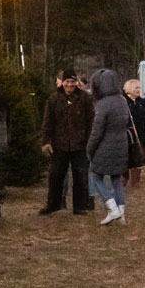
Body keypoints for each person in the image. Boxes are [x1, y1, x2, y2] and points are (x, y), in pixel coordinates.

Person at [38, 68, 93, 215]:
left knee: (80, 177)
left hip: (80, 145)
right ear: (62, 82)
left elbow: (91, 122)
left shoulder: (85, 99)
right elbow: (48, 123)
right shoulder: (53, 99)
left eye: (72, 81)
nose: (70, 84)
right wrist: (46, 141)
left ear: (76, 82)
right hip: (59, 145)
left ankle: (79, 206)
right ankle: (53, 204)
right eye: (67, 81)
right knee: (55, 177)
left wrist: (89, 142)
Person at [85, 68, 135, 224]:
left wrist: (89, 150)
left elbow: (96, 132)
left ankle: (112, 207)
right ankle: (121, 213)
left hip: (104, 147)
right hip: (121, 146)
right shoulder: (122, 100)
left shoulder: (103, 104)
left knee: (95, 176)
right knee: (116, 179)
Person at [123, 77, 145, 187]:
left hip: (141, 135)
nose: (139, 90)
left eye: (139, 88)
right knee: (127, 158)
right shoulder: (124, 102)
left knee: (139, 157)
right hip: (128, 136)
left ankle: (135, 181)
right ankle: (124, 178)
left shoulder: (142, 102)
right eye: (136, 88)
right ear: (130, 88)